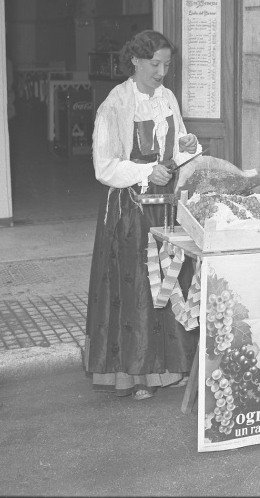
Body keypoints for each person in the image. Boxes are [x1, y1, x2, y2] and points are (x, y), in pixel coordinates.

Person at [84, 30, 200, 400]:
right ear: (135, 60)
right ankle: (135, 376)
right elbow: (104, 167)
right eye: (155, 64)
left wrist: (187, 146)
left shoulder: (167, 98)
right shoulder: (115, 104)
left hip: (165, 206)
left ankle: (171, 369)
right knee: (137, 288)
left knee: (171, 281)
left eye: (166, 65)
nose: (162, 72)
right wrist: (148, 171)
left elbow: (178, 149)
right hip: (130, 211)